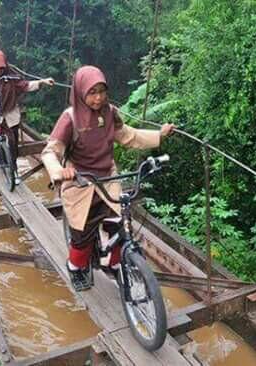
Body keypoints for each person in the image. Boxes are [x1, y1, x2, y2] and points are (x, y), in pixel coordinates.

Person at [41, 65, 174, 291]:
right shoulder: (70, 118)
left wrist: (158, 135)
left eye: (102, 91)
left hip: (108, 179)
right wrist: (60, 171)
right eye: (92, 92)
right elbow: (50, 151)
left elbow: (127, 135)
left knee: (119, 224)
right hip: (80, 182)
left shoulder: (110, 112)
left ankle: (114, 263)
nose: (98, 98)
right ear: (81, 92)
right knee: (82, 235)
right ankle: (75, 267)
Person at [0, 50, 54, 181]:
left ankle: (14, 168)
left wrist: (42, 82)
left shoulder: (11, 79)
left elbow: (26, 85)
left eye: (1, 69)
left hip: (11, 114)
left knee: (13, 143)